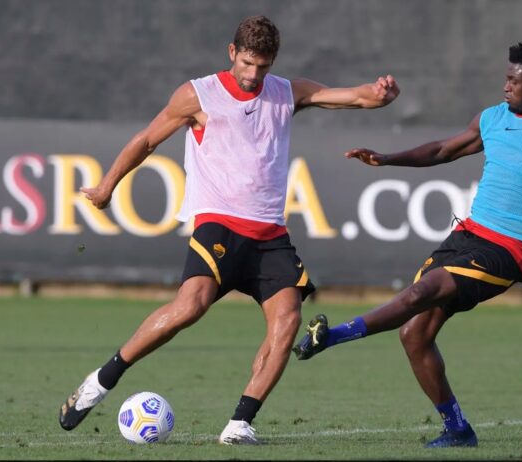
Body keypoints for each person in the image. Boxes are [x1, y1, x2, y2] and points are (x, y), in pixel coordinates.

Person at [58, 15, 399, 445]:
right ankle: (101, 381)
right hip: (218, 222)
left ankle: (240, 423)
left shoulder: (287, 92)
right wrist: (108, 186)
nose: (255, 75)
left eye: (265, 66)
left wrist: (381, 95)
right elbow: (147, 140)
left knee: (288, 319)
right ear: (232, 52)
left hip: (270, 234)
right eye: (248, 64)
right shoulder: (197, 94)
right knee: (191, 306)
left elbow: (354, 97)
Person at [292, 38, 522, 448]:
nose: (505, 86)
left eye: (514, 79)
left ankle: (332, 336)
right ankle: (458, 430)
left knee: (420, 292)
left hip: (512, 251)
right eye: (505, 77)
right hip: (467, 235)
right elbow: (443, 149)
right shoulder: (493, 119)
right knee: (414, 336)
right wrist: (387, 159)